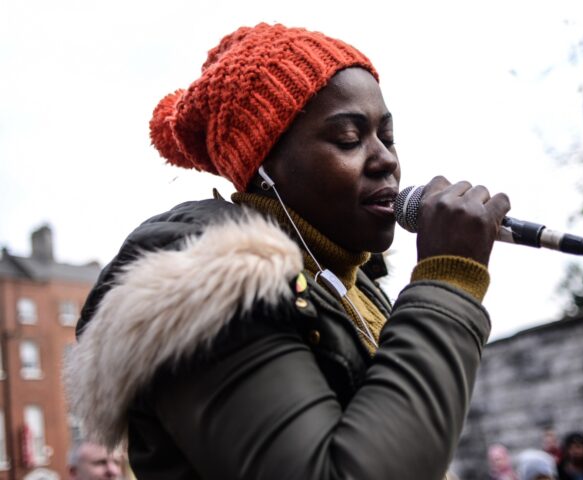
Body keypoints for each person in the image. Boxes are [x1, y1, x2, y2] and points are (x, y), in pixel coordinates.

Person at [64, 23, 510, 479]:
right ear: (265, 169)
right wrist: (446, 281)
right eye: (349, 139)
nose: (386, 160)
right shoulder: (210, 286)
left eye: (387, 137)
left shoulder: (351, 287)